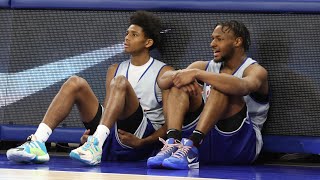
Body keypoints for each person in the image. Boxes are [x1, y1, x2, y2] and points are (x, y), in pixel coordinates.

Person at [7, 11, 173, 165]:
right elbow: (109, 110)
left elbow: (171, 124)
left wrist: (143, 142)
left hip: (140, 135)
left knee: (120, 82)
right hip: (112, 132)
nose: (127, 38)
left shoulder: (164, 72)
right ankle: (38, 141)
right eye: (127, 33)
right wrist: (94, 133)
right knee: (75, 82)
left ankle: (96, 145)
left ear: (148, 42)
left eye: (134, 34)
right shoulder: (114, 69)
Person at [147, 20, 270, 169]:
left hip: (240, 146)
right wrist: (184, 77)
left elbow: (243, 87)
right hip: (202, 144)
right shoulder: (203, 66)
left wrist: (197, 74)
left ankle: (193, 143)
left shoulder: (256, 70)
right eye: (212, 39)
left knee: (222, 87)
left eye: (219, 39)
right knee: (178, 86)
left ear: (237, 41)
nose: (212, 44)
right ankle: (173, 142)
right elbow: (162, 81)